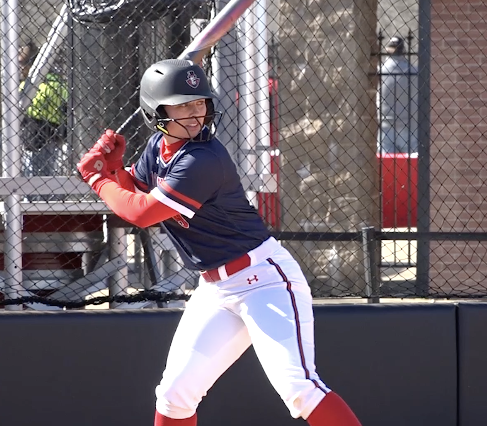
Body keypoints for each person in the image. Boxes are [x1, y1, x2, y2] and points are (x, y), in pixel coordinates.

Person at [76, 59, 362, 426]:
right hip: (215, 289)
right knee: (175, 395)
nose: (196, 114)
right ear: (157, 112)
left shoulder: (203, 158)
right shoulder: (158, 149)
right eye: (183, 105)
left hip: (264, 280)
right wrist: (115, 170)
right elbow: (135, 189)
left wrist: (98, 179)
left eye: (199, 103)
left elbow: (140, 213)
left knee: (299, 388)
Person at [18, 41, 69, 180]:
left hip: (33, 138)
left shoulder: (26, 87)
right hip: (55, 137)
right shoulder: (60, 84)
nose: (20, 69)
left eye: (22, 64)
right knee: (51, 174)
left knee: (32, 176)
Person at [377, 35, 418, 154]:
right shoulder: (414, 72)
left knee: (386, 167)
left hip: (385, 125)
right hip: (409, 125)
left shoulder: (380, 71)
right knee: (413, 166)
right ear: (403, 51)